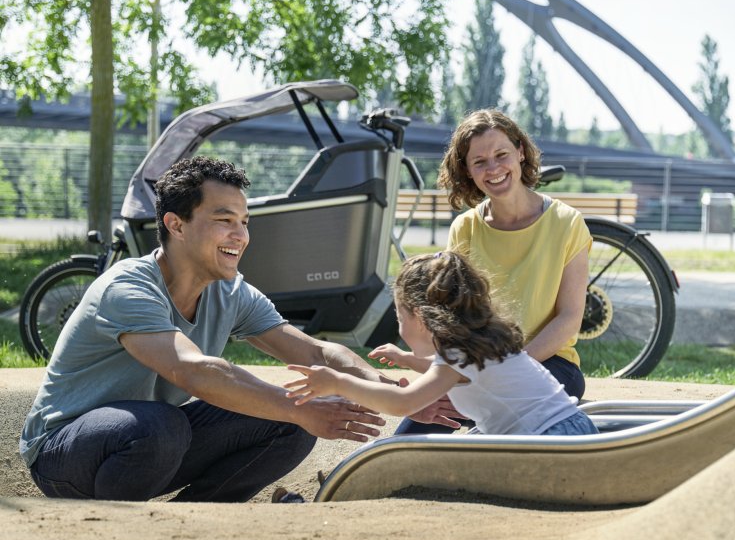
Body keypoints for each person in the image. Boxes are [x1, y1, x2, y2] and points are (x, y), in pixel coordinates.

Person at [19, 156, 459, 502]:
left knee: (296, 414)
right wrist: (293, 407)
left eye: (244, 222)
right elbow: (194, 371)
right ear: (176, 225)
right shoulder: (127, 287)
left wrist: (396, 394)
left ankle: (190, 521)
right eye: (224, 220)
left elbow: (318, 354)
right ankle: (118, 531)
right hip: (66, 453)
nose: (241, 235)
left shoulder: (230, 291)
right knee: (164, 426)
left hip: (151, 442)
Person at [371, 109, 591, 435]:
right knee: (415, 432)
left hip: (551, 365)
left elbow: (569, 318)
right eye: (479, 162)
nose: (493, 168)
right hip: (480, 364)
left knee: (490, 432)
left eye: (501, 154)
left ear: (520, 151)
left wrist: (506, 372)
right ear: (467, 171)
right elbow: (455, 319)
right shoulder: (466, 228)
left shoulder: (567, 222)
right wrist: (453, 375)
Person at [285, 251, 598, 437]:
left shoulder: (456, 356)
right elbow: (460, 374)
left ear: (420, 318)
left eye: (399, 315)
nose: (399, 325)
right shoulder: (480, 344)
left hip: (551, 442)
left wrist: (339, 382)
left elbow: (404, 403)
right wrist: (408, 359)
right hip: (574, 432)